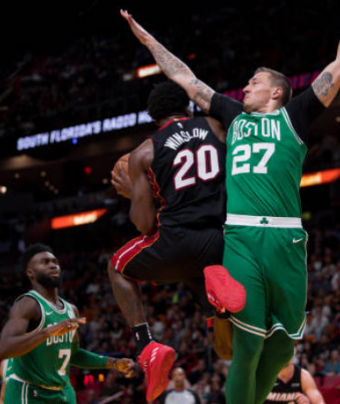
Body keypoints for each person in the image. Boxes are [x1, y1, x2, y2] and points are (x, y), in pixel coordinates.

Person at [119, 0, 340, 402]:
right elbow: (186, 78)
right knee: (248, 346)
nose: (246, 86)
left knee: (284, 348)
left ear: (277, 91)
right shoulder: (232, 116)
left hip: (287, 240)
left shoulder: (296, 116)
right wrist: (147, 40)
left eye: (254, 81)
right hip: (240, 237)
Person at [107, 81, 240, 401]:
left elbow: (144, 224)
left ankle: (147, 347)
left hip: (176, 241)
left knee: (116, 267)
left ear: (154, 117)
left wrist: (134, 192)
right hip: (220, 241)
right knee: (225, 350)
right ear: (188, 106)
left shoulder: (144, 152)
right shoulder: (216, 125)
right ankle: (220, 309)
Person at [0, 244, 136, 404]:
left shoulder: (71, 310)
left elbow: (74, 354)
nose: (52, 264)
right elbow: (4, 349)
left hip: (62, 393)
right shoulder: (28, 304)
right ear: (31, 273)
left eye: (54, 261)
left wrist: (114, 363)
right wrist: (47, 332)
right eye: (45, 262)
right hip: (30, 393)